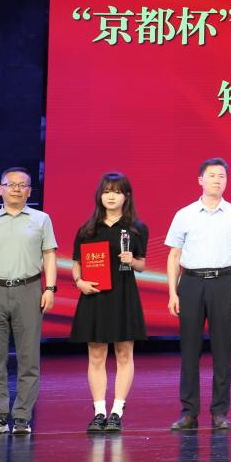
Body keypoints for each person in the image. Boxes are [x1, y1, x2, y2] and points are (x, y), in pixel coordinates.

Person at [0, 166, 58, 436]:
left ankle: (22, 418)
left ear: (29, 191)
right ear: (0, 189)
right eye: (11, 184)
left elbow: (49, 255)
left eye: (22, 185)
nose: (16, 189)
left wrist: (50, 288)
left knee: (29, 358)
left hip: (29, 289)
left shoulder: (41, 219)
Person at [165, 157, 231, 431]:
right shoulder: (185, 214)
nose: (217, 180)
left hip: (223, 283)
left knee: (222, 351)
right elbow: (174, 255)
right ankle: (189, 412)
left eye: (222, 176)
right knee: (189, 350)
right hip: (191, 283)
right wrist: (173, 293)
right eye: (212, 175)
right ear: (200, 180)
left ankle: (219, 412)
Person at [69, 172, 149, 433]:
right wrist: (79, 281)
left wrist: (131, 261)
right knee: (96, 354)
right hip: (95, 296)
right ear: (99, 196)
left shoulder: (136, 228)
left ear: (126, 196)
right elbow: (77, 263)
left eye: (116, 191)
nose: (111, 196)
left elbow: (142, 265)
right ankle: (99, 411)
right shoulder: (88, 229)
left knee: (124, 353)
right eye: (106, 191)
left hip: (124, 295)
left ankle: (117, 410)